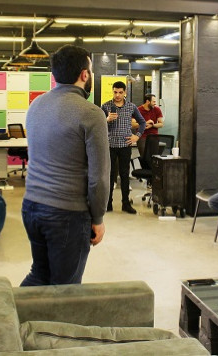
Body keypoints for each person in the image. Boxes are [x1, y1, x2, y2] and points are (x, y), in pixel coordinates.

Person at [21, 45, 110, 286]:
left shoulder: (36, 105)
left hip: (31, 207)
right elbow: (99, 177)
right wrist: (98, 218)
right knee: (66, 289)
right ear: (84, 74)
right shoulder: (91, 113)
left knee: (39, 275)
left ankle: (9, 310)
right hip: (66, 214)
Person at [101, 81, 146, 214]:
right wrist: (106, 120)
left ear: (125, 92)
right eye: (115, 92)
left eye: (120, 92)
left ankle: (125, 203)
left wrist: (137, 136)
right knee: (109, 175)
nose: (118, 95)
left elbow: (142, 122)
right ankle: (108, 203)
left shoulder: (131, 107)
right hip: (110, 145)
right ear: (113, 91)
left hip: (125, 145)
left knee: (125, 175)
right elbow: (97, 124)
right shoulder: (105, 106)